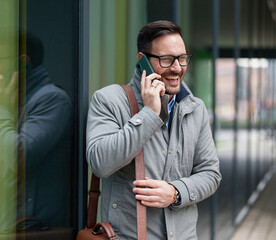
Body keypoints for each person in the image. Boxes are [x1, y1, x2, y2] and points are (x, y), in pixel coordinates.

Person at [86, 20, 222, 239]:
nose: (177, 68)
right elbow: (100, 163)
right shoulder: (109, 100)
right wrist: (149, 114)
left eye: (182, 58)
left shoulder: (195, 109)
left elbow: (211, 174)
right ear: (143, 61)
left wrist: (176, 193)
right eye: (167, 60)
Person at [0, 31, 72, 231]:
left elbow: (18, 156)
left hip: (30, 226)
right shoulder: (12, 100)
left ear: (23, 62)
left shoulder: (51, 100)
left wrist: (2, 109)